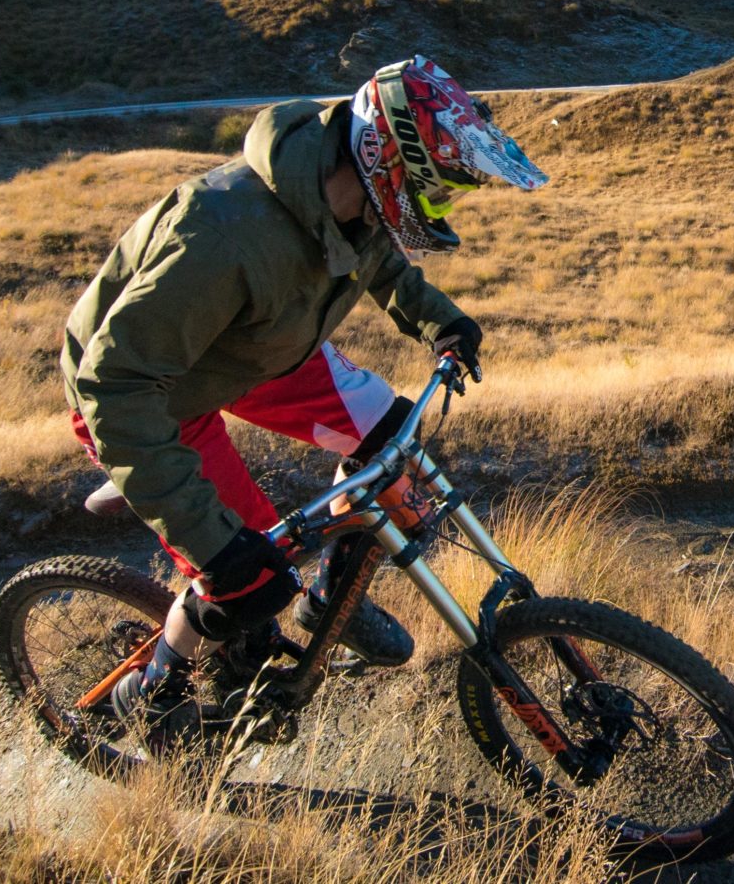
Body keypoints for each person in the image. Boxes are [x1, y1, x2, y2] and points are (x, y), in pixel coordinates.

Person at [59, 56, 547, 739]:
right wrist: (219, 548)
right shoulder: (224, 235)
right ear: (390, 161)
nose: (440, 208)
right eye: (437, 191)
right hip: (152, 393)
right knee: (248, 579)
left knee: (394, 442)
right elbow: (114, 382)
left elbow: (376, 258)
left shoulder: (346, 195)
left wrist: (440, 321)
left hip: (258, 346)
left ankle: (329, 605)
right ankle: (155, 687)